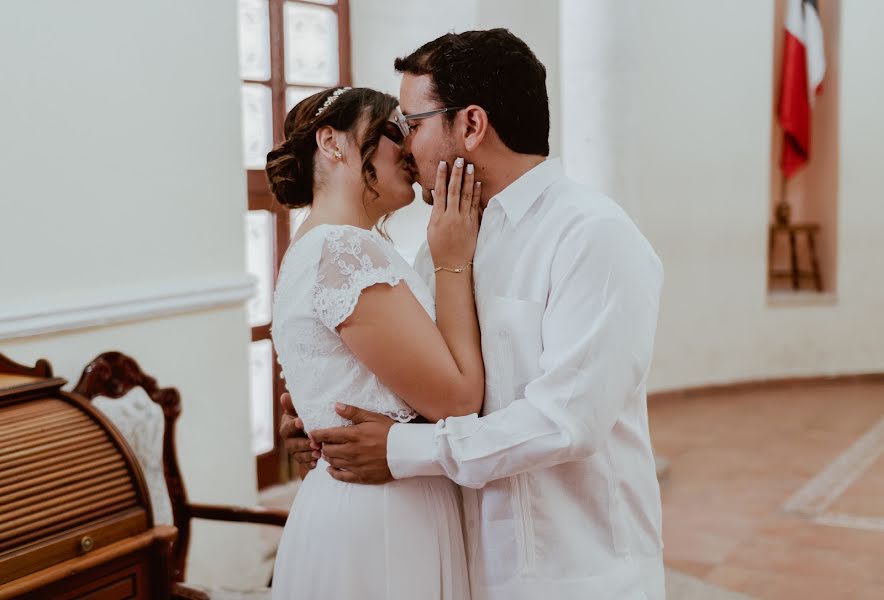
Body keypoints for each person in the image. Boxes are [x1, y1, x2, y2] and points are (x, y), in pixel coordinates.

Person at [281, 29, 667, 600]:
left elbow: (565, 421)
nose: (405, 147)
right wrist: (331, 420)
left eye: (412, 124)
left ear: (471, 125)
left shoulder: (593, 236)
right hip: (454, 563)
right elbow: (425, 387)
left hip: (573, 575)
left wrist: (396, 450)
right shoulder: (440, 246)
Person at [267, 85, 484, 600]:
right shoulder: (343, 250)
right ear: (332, 141)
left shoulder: (320, 245)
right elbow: (456, 400)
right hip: (383, 515)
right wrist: (453, 260)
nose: (408, 150)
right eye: (393, 131)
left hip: (367, 500)